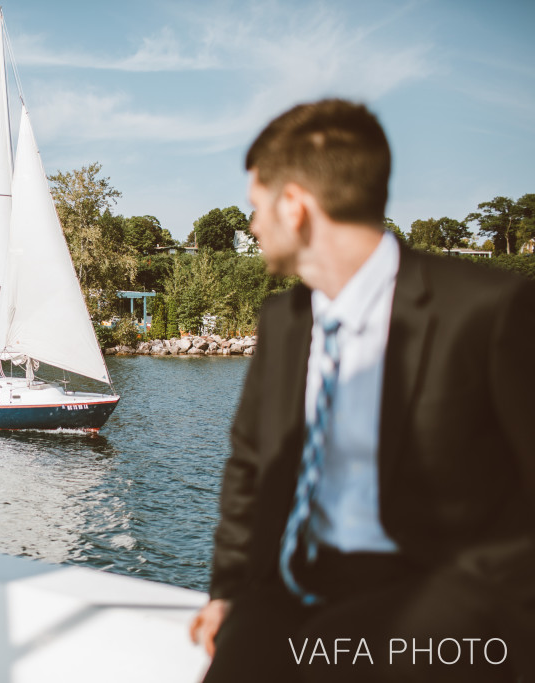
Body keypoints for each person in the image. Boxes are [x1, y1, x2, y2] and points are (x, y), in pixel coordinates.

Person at [190, 99, 535, 682]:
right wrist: (227, 592)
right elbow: (250, 468)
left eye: (255, 207)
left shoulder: (488, 310)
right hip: (291, 587)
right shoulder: (283, 320)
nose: (251, 225)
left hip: (447, 601)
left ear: (295, 207)